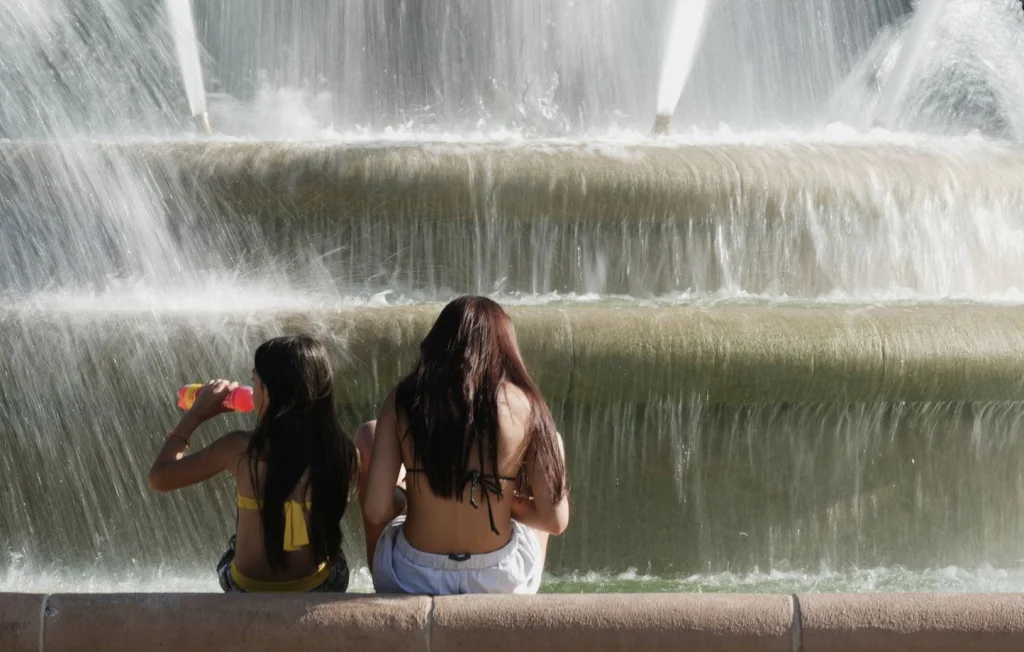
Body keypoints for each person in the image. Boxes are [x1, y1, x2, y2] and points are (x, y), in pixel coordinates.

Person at [357, 295, 569, 594]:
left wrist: (411, 497)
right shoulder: (527, 405)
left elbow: (377, 510)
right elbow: (554, 521)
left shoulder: (403, 398)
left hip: (410, 577)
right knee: (553, 443)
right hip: (502, 581)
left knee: (369, 438)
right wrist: (505, 500)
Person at [148, 335, 357, 593]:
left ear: (267, 392)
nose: (252, 387)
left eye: (254, 380)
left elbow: (159, 477)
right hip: (315, 586)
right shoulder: (343, 450)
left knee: (235, 545)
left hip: (247, 588)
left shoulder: (239, 449)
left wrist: (196, 415)